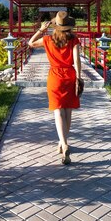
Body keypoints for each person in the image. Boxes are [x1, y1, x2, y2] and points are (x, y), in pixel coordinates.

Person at [28, 11, 82, 165]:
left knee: (58, 110)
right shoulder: (74, 40)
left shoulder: (47, 39)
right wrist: (79, 77)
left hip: (54, 77)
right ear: (69, 26)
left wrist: (41, 30)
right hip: (70, 76)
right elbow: (77, 60)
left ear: (55, 26)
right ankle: (63, 142)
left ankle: (63, 143)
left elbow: (30, 43)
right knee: (68, 111)